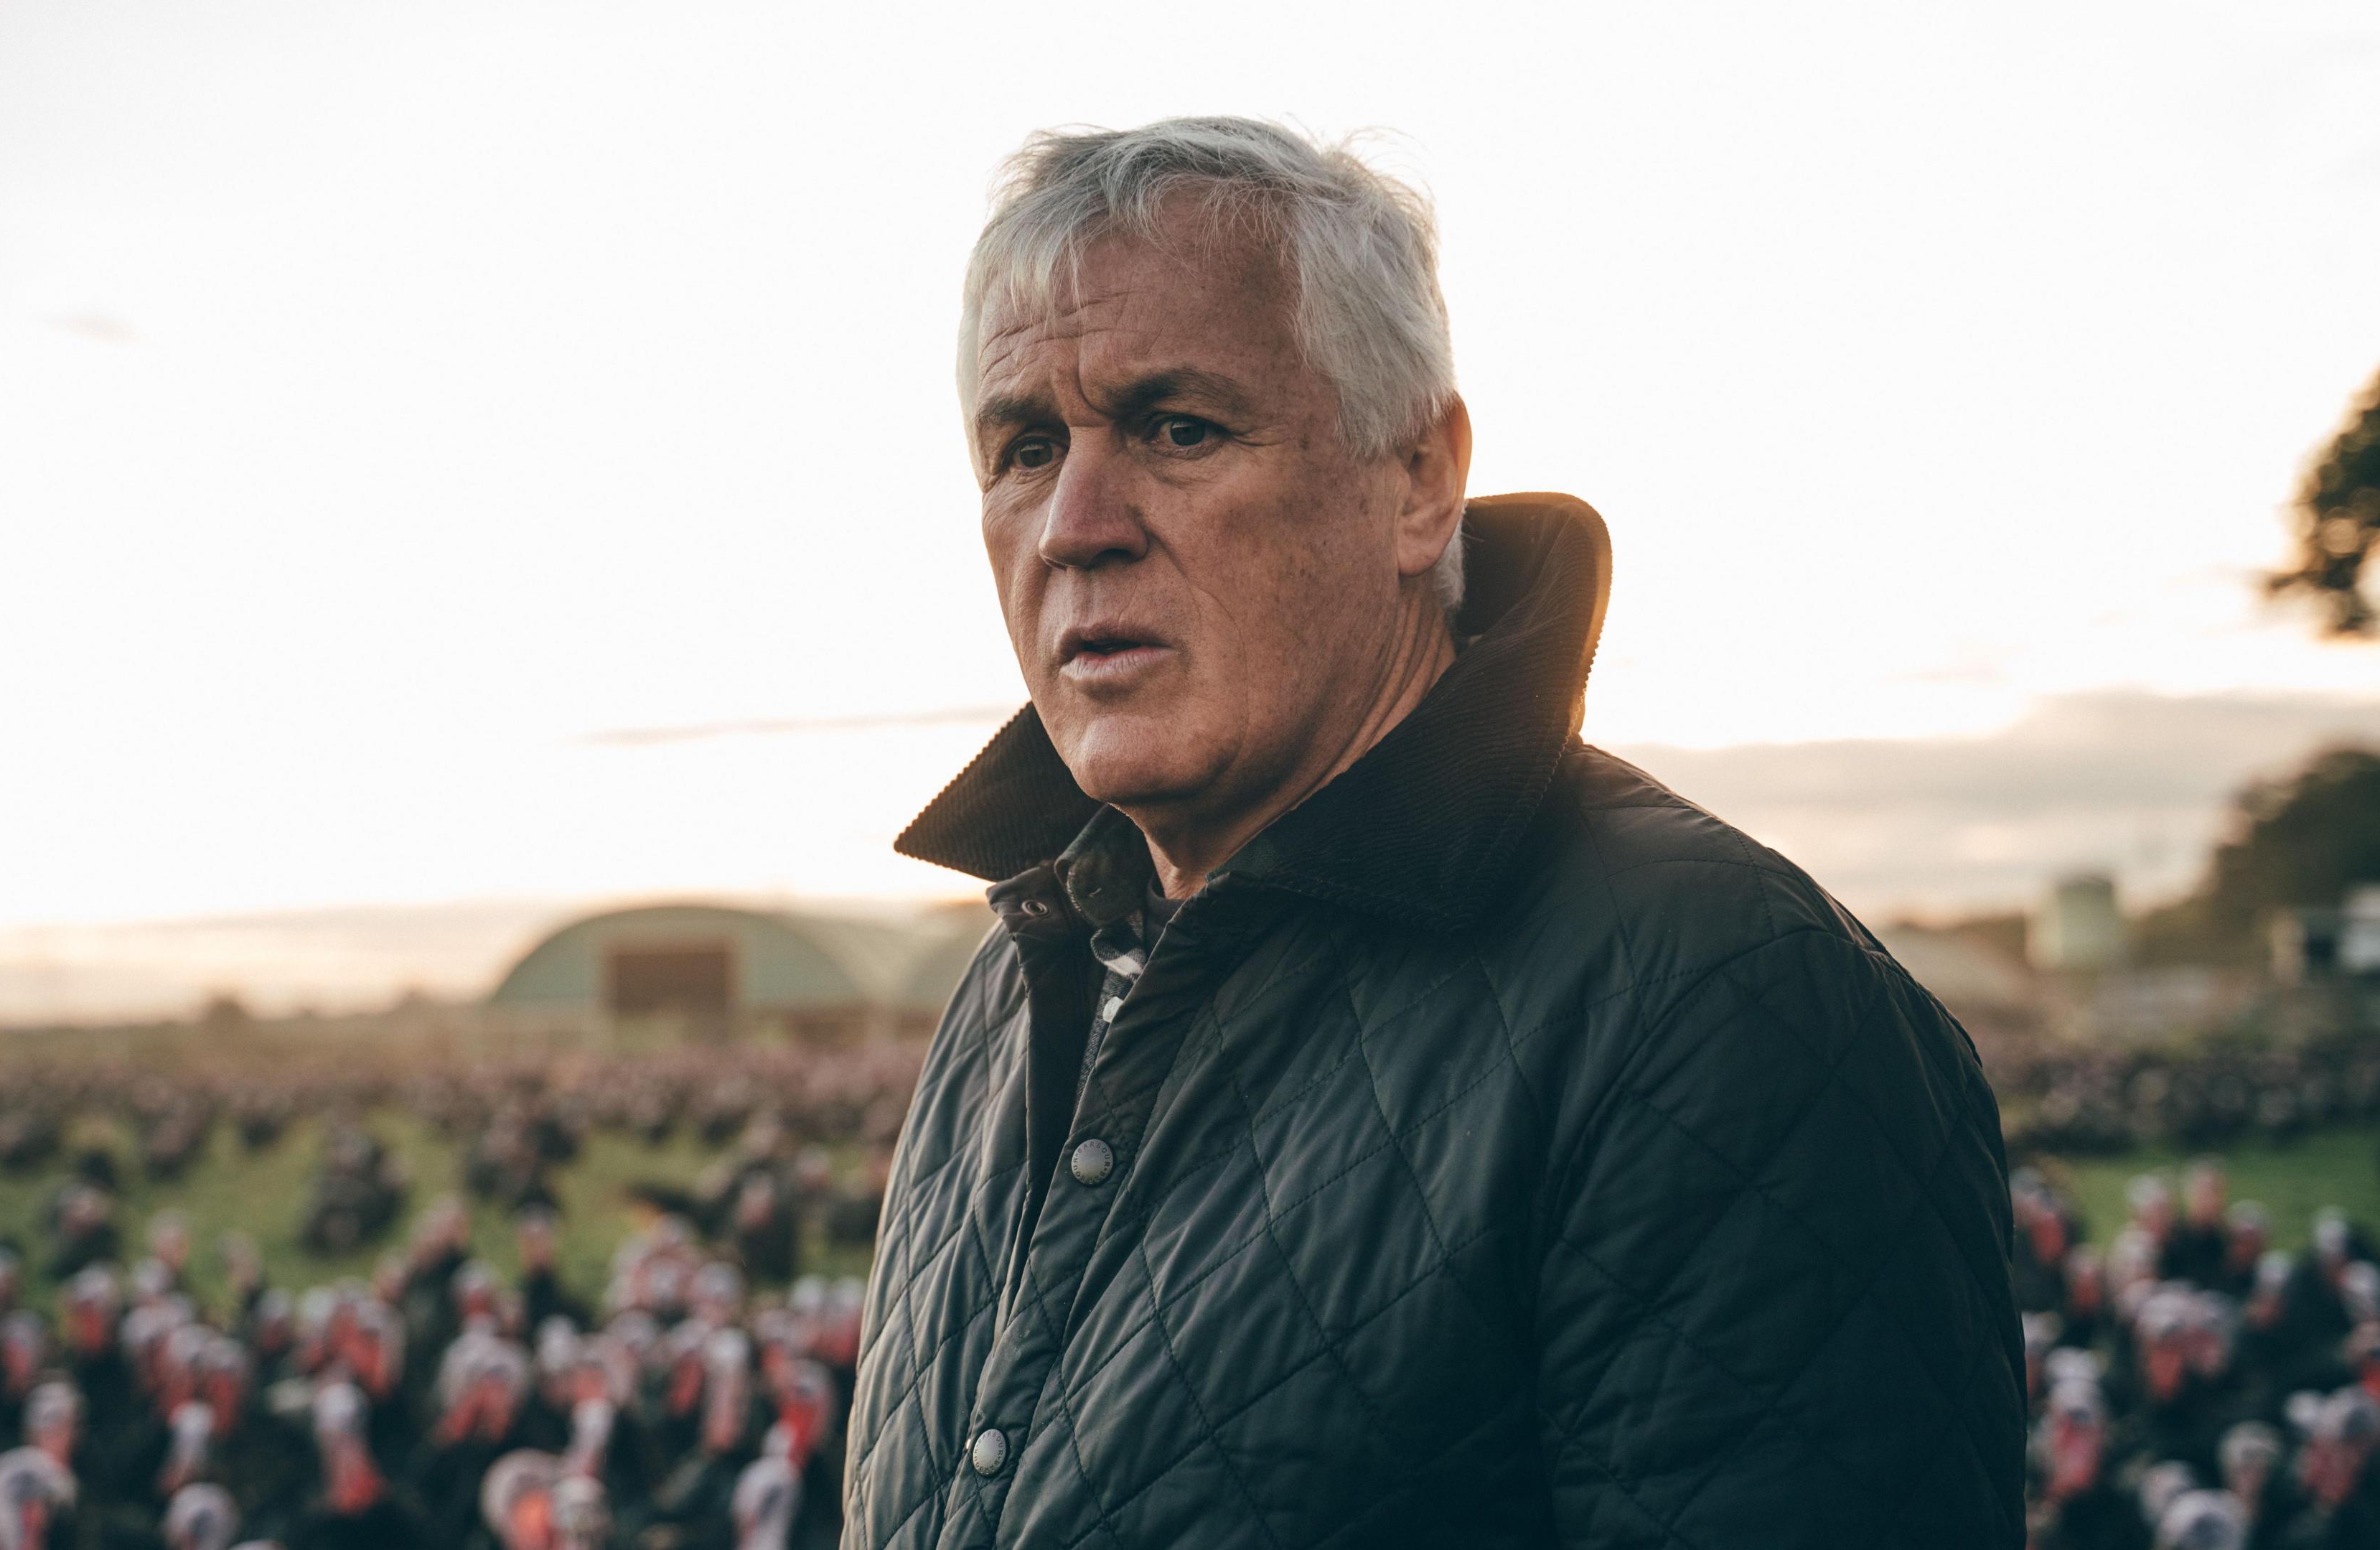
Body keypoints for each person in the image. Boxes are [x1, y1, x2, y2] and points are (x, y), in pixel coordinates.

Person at [845, 116, 2022, 1546]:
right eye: (1025, 447)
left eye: (1178, 428)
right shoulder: (1016, 977)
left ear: (1417, 479)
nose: (1075, 524)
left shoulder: (1724, 1004)